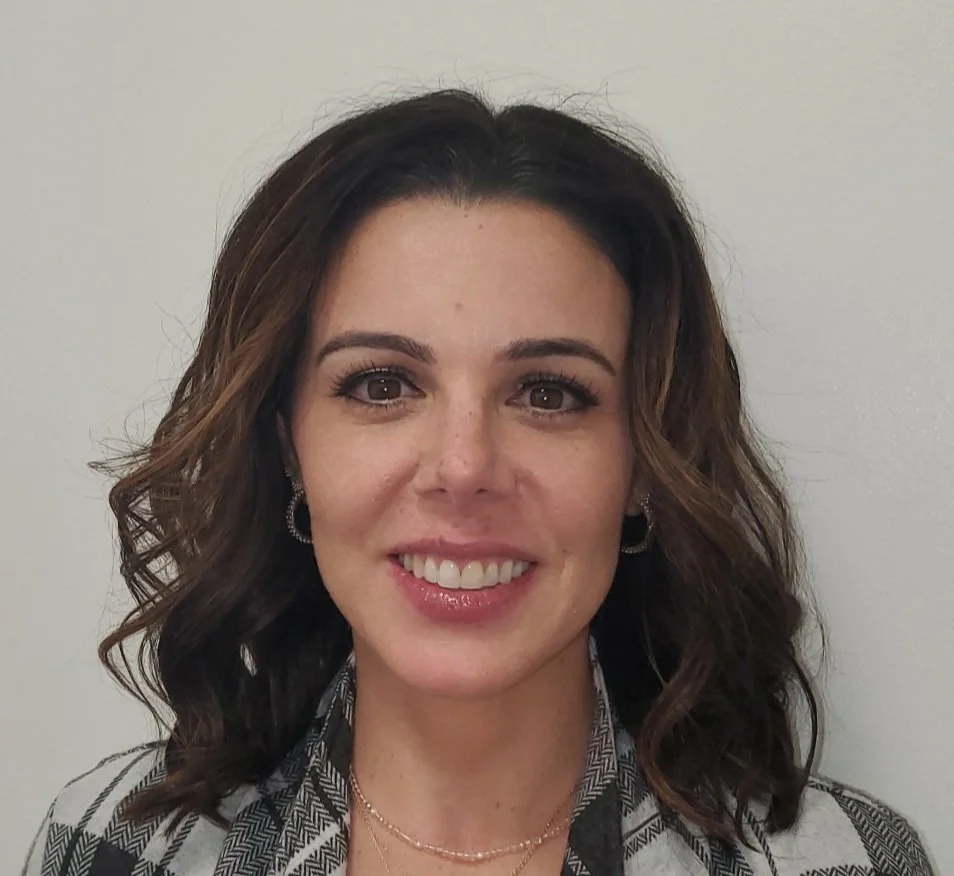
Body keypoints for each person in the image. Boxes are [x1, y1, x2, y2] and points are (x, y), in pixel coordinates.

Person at [22, 88, 935, 876]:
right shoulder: (119, 847)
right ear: (289, 447)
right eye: (382, 384)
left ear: (645, 467)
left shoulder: (839, 861)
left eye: (549, 393)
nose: (463, 468)